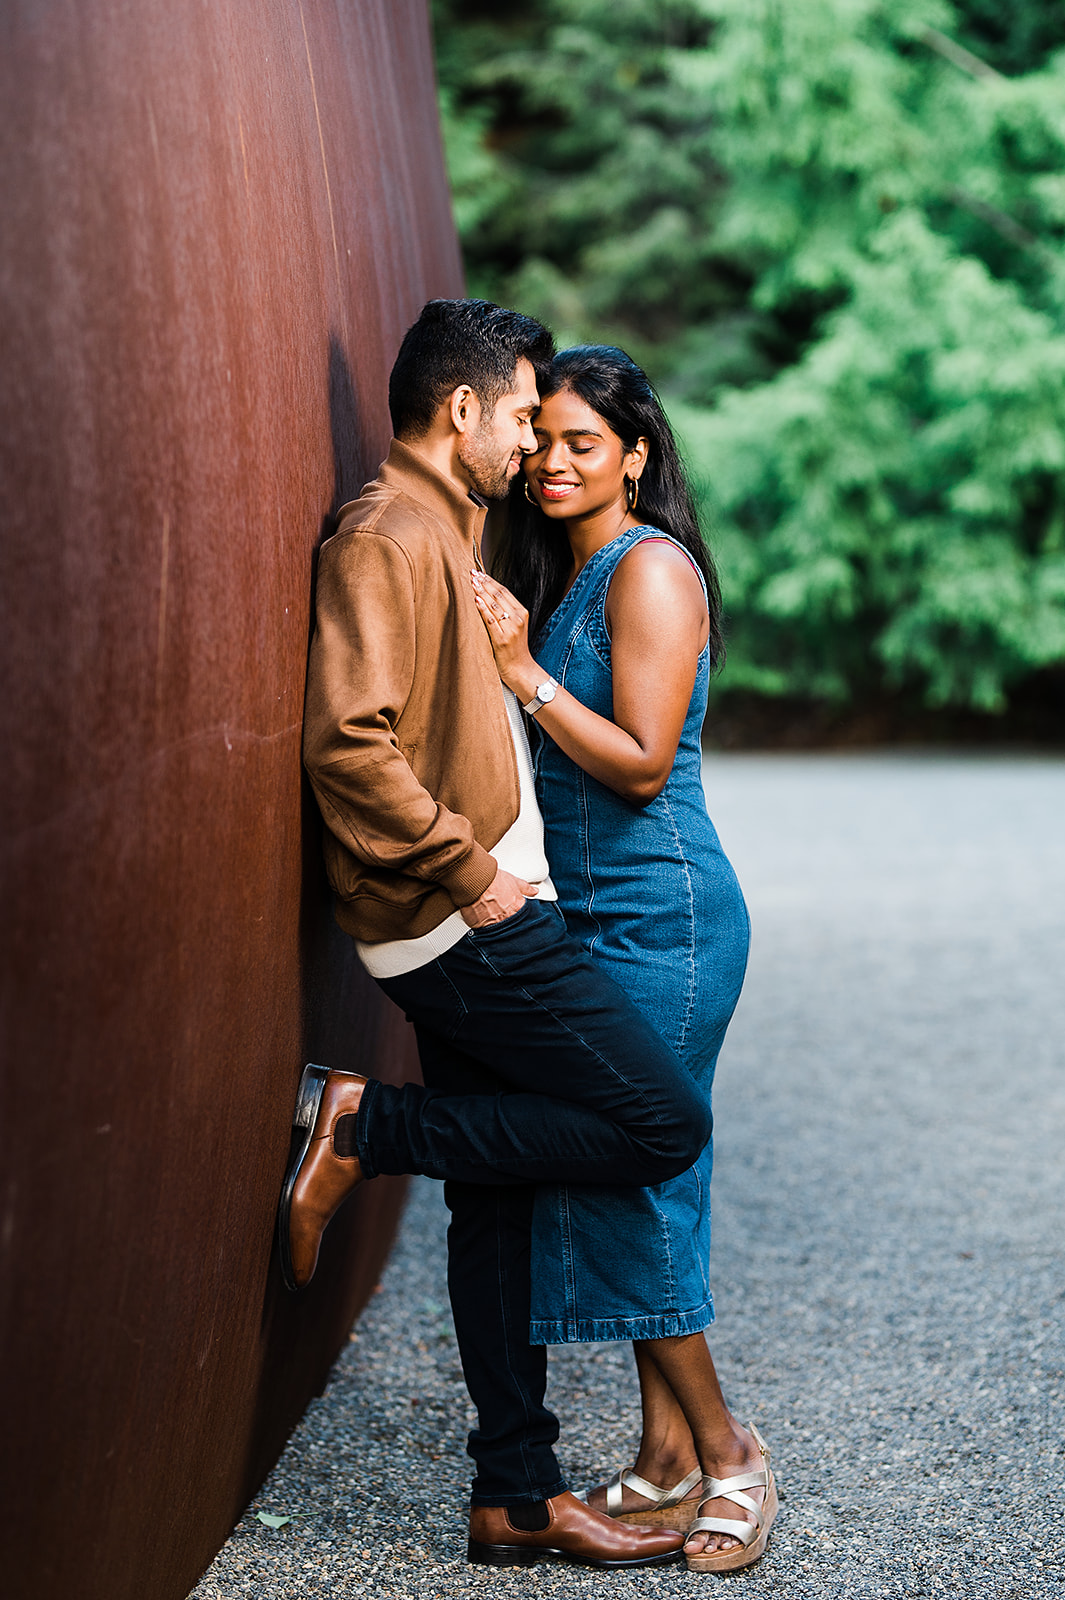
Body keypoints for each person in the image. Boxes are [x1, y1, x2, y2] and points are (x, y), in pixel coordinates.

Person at [285, 299, 715, 1570]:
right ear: (464, 410)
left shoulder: (448, 532)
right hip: (461, 921)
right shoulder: (387, 533)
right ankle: (365, 1123)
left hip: (476, 908)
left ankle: (514, 1496)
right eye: (524, 416)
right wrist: (472, 874)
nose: (530, 445)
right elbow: (346, 743)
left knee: (502, 1196)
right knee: (660, 1120)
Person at [470, 343, 777, 1574]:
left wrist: (522, 674)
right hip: (599, 919)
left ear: (637, 456)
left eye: (581, 442)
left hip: (667, 921)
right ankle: (660, 1456)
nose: (550, 459)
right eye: (539, 437)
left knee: (634, 1169)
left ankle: (731, 1451)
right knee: (649, 1170)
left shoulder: (650, 571)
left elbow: (645, 761)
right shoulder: (576, 568)